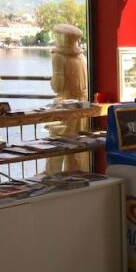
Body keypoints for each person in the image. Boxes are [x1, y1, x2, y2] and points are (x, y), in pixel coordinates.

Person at [48, 24, 89, 172]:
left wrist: (52, 81)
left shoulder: (58, 57)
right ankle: (76, 172)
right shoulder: (82, 56)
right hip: (83, 104)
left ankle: (53, 174)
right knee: (77, 144)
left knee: (57, 143)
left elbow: (57, 86)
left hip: (65, 103)